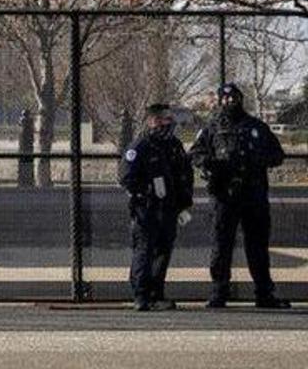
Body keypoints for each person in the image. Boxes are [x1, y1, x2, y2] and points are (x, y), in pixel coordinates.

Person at [189, 83, 291, 309]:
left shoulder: (256, 126)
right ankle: (219, 292)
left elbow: (277, 154)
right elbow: (195, 152)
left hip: (253, 195)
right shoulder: (212, 127)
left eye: (233, 97)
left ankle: (264, 293)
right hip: (224, 196)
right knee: (221, 244)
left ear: (240, 99)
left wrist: (254, 162)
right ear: (219, 101)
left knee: (257, 245)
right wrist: (208, 165)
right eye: (224, 98)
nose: (229, 102)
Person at [118, 103, 193, 311]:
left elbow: (185, 175)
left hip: (169, 209)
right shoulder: (140, 146)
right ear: (151, 121)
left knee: (163, 251)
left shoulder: (174, 146)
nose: (167, 124)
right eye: (162, 119)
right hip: (146, 209)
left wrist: (184, 202)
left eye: (169, 119)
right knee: (144, 250)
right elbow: (125, 177)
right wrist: (146, 190)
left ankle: (156, 293)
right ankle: (141, 295)